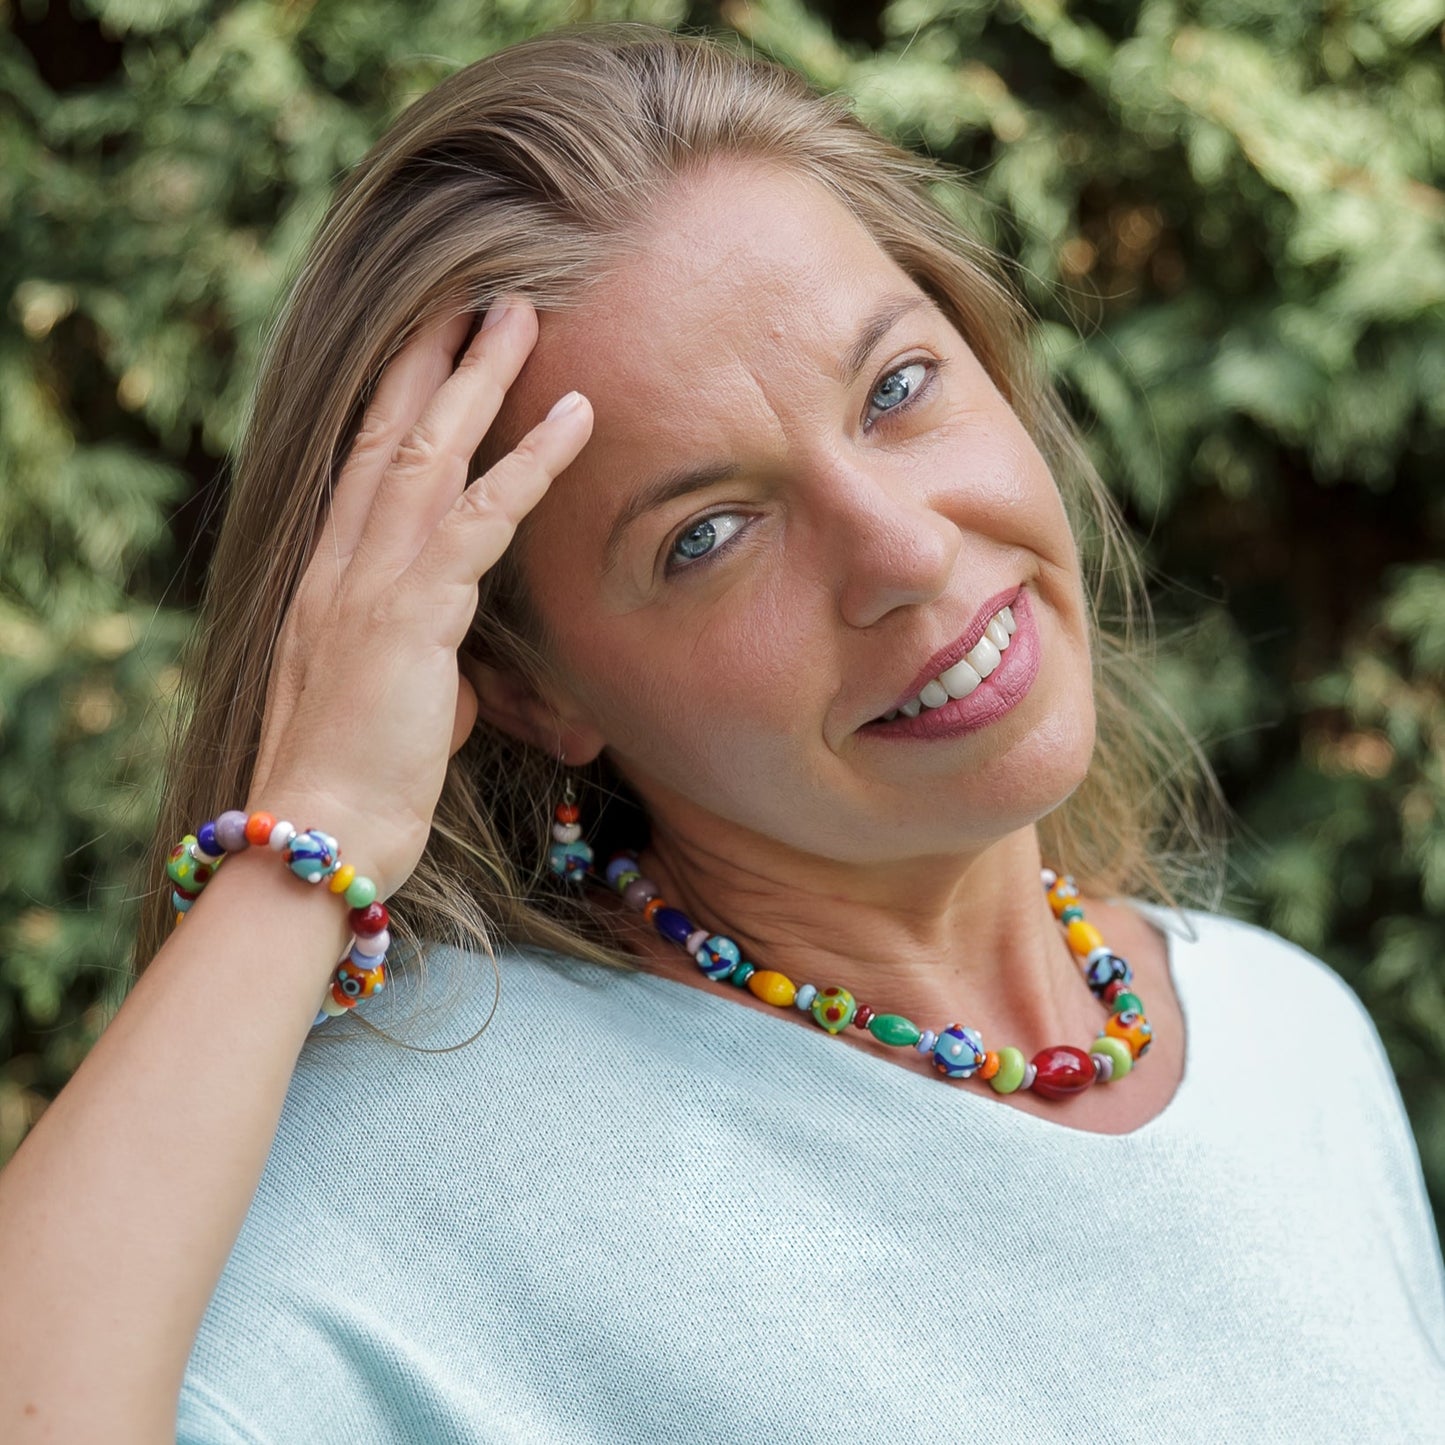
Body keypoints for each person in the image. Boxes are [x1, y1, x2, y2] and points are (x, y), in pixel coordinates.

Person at [2, 22, 1441, 1443]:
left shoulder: (1288, 1039)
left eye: (893, 388)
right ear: (521, 684)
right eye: (707, 534)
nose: (902, 551)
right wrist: (301, 832)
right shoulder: (427, 1169)